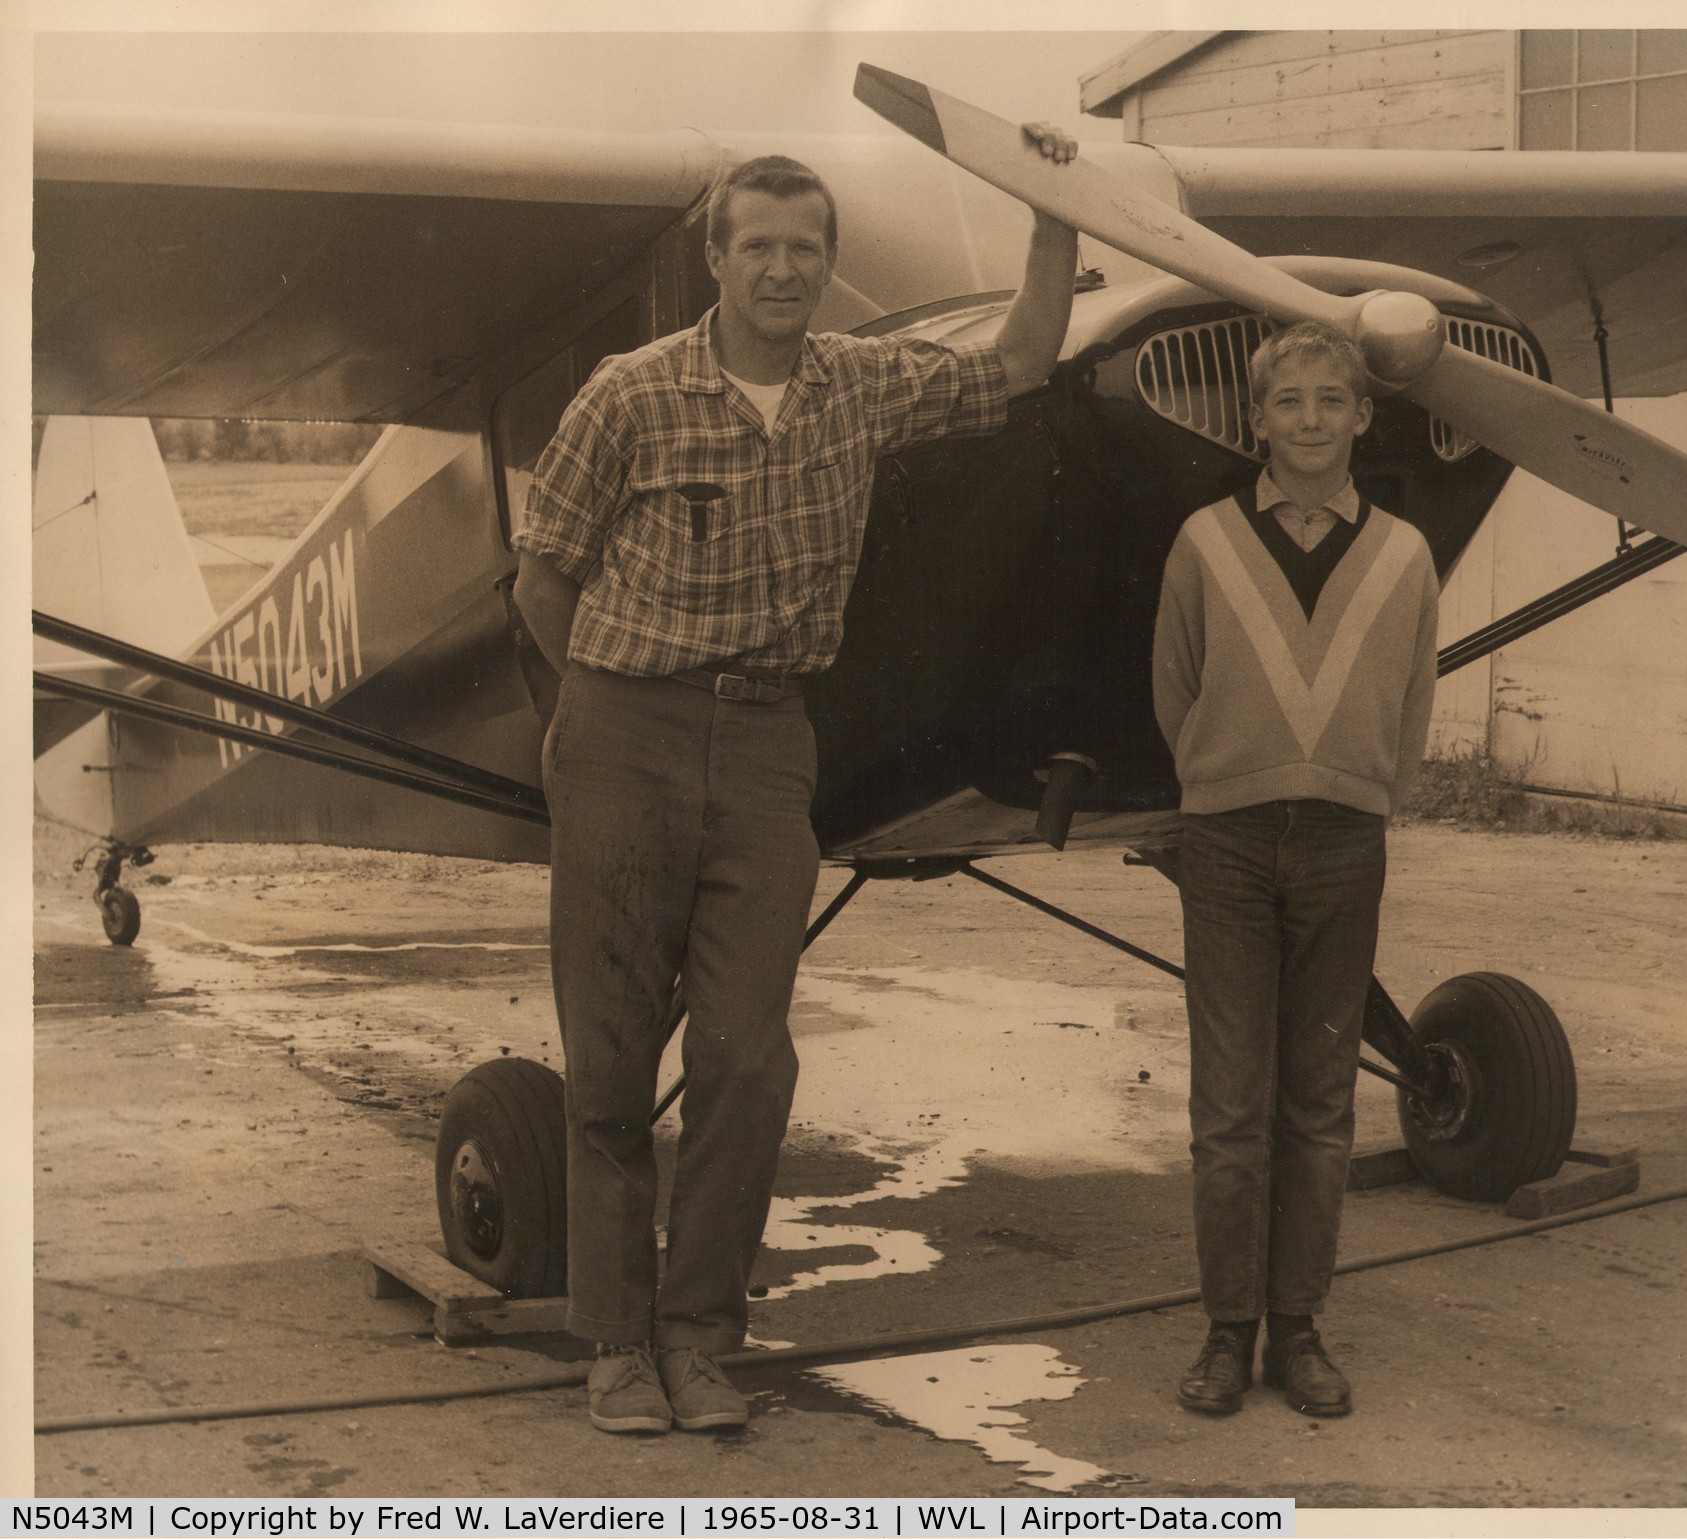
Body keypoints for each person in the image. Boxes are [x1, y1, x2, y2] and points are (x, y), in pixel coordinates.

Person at [512, 133, 1080, 1435]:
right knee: (607, 1060)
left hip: (769, 745)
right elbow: (543, 572)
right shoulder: (629, 392)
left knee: (747, 1056)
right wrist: (589, 722)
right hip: (622, 729)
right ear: (713, 257)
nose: (780, 269)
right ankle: (613, 1342)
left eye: (804, 249)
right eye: (755, 245)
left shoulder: (859, 386)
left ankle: (701, 1334)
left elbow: (1020, 360)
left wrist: (1051, 220)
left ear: (828, 266)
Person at [1151, 320, 1438, 1418]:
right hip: (1224, 844)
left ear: (1363, 417)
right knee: (1229, 1103)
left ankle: (1299, 1331)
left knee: (1318, 1103)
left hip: (1340, 848)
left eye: (1332, 401)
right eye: (1288, 403)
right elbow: (1174, 687)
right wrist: (1229, 779)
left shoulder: (1402, 555)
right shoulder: (1203, 542)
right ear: (1253, 421)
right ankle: (1226, 1333)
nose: (1310, 420)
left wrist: (1359, 798)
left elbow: (1410, 704)